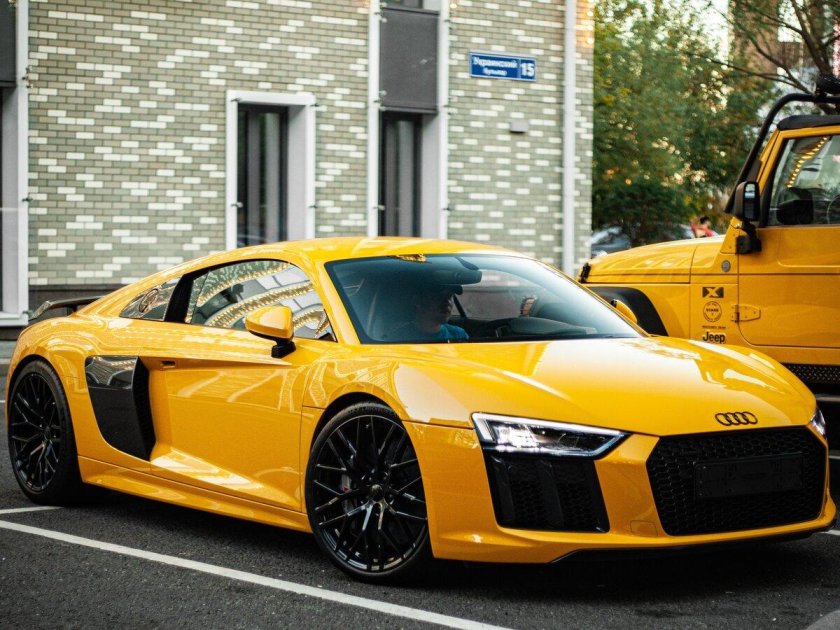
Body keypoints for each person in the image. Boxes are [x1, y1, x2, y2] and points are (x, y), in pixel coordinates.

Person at [391, 283, 469, 342]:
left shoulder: (458, 335)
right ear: (417, 301)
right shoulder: (398, 338)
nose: (447, 302)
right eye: (439, 297)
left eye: (450, 296)